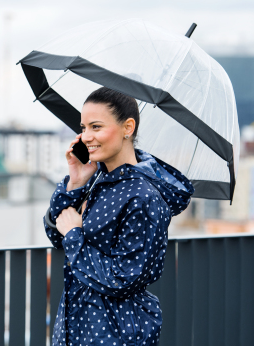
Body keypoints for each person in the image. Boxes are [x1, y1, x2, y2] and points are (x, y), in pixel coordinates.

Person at [44, 87, 194, 346]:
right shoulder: (98, 177)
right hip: (78, 326)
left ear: (128, 128)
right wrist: (76, 183)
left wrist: (74, 235)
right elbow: (56, 234)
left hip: (114, 332)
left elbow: (123, 279)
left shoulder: (143, 197)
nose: (86, 137)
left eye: (96, 127)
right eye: (84, 127)